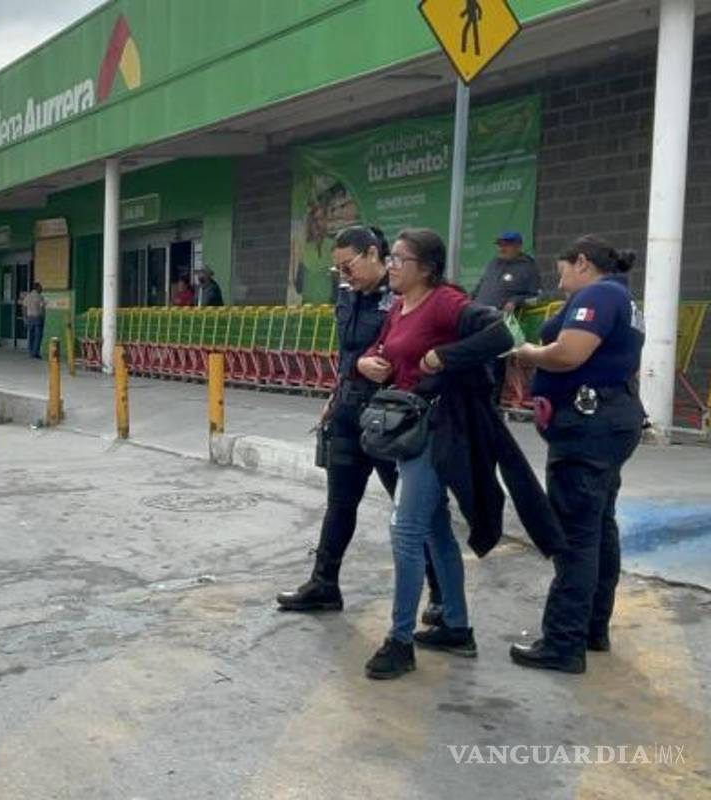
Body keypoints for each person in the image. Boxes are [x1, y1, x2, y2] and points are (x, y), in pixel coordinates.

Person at [356, 228, 564, 680]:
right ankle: (455, 625)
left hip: (438, 431)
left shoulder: (445, 302)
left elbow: (504, 332)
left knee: (406, 532)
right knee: (432, 531)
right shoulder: (398, 308)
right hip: (406, 431)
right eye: (390, 258)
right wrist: (368, 362)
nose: (390, 266)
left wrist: (444, 357)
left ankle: (399, 641)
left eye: (398, 259)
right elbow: (381, 349)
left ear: (425, 268)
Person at [276, 226, 444, 619]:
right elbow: (347, 353)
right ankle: (324, 584)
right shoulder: (348, 296)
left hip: (390, 418)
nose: (344, 275)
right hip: (350, 414)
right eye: (338, 270)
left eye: (348, 266)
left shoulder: (404, 298)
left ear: (373, 254)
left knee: (410, 513)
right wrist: (335, 397)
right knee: (340, 504)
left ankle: (441, 593)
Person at [509, 236, 645, 675]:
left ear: (582, 262)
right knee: (599, 527)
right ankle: (591, 628)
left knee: (575, 535)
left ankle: (564, 642)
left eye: (563, 267)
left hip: (587, 427)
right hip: (609, 420)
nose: (560, 276)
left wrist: (530, 354)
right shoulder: (621, 298)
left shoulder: (600, 294)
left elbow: (568, 354)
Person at [472, 231, 541, 405]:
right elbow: (480, 287)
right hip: (480, 317)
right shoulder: (493, 264)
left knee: (495, 363)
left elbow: (536, 296)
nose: (502, 248)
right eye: (500, 244)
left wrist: (515, 301)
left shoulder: (527, 267)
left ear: (518, 245)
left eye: (506, 244)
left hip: (505, 320)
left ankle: (493, 402)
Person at [22, 282, 46, 359]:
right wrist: (43, 317)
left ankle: (30, 352)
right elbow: (42, 308)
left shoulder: (28, 296)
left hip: (29, 318)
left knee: (31, 335)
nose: (42, 289)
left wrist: (25, 317)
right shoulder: (40, 297)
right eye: (40, 287)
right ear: (37, 288)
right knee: (38, 336)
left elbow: (24, 307)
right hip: (37, 318)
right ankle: (35, 352)